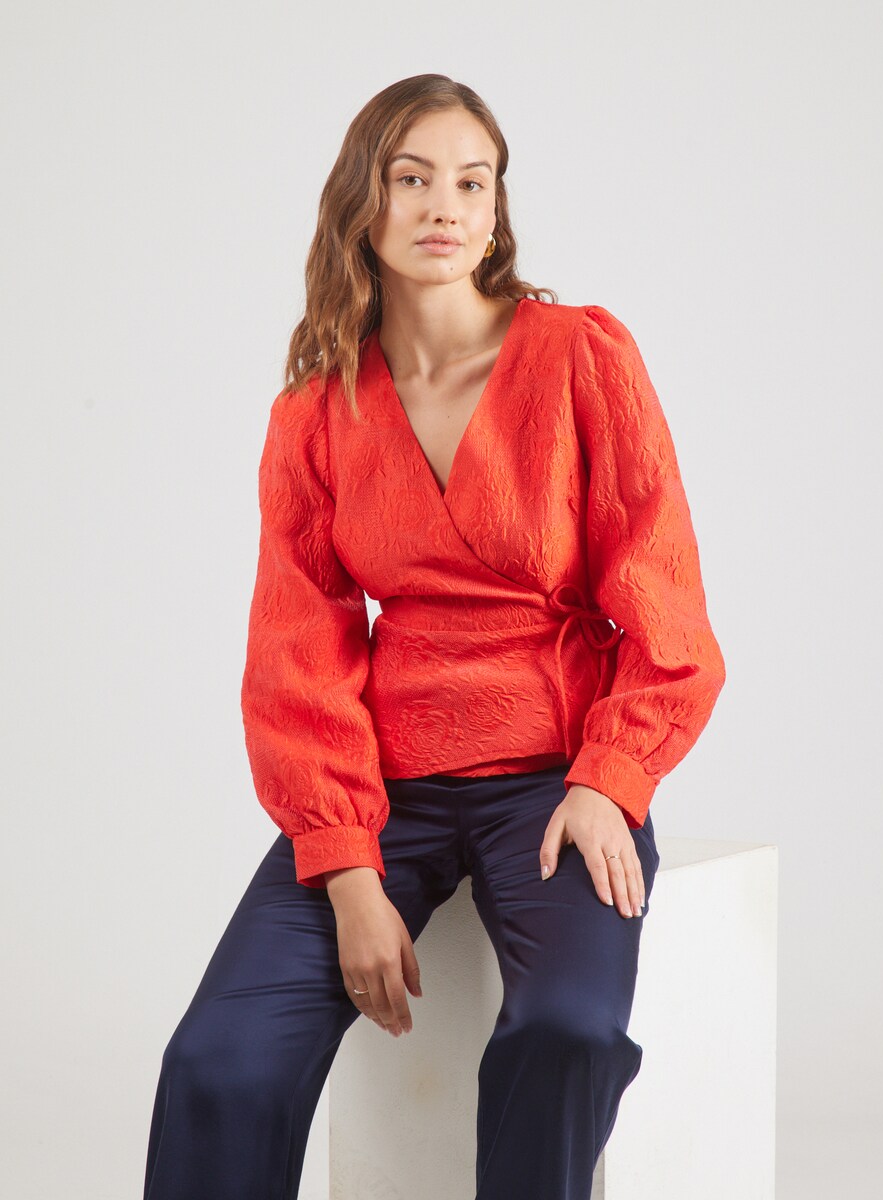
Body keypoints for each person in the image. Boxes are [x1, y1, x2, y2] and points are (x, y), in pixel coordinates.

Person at [142, 74, 726, 1200]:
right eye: (411, 179)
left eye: (472, 181)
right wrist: (347, 868)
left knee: (570, 1030)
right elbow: (297, 648)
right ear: (361, 204)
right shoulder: (315, 413)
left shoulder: (582, 357)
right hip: (384, 784)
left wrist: (612, 778)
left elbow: (664, 597)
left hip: (555, 781)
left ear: (497, 211)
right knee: (219, 1060)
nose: (444, 206)